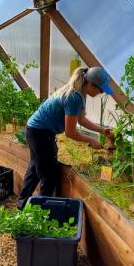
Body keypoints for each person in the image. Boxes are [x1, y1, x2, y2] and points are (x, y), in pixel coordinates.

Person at [17, 67, 114, 209]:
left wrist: (101, 130)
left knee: (35, 168)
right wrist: (90, 140)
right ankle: (43, 214)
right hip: (40, 133)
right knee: (48, 175)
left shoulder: (79, 92)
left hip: (37, 130)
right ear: (92, 85)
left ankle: (22, 204)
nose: (101, 93)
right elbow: (70, 132)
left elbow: (80, 120)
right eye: (101, 90)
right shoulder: (74, 97)